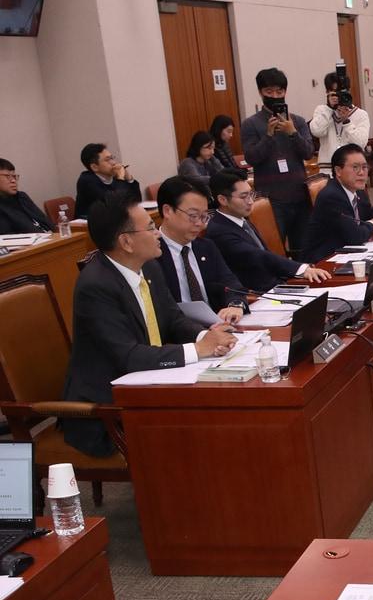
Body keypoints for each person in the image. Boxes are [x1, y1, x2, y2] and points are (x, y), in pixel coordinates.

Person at [62, 193, 237, 457]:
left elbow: (172, 318)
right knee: (204, 426)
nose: (158, 234)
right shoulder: (95, 287)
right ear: (126, 242)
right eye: (151, 227)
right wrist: (198, 350)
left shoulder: (149, 267)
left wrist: (208, 335)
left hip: (149, 383)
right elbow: (128, 355)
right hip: (108, 409)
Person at [205, 170, 331, 292]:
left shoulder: (241, 219)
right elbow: (257, 255)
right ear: (223, 200)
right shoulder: (219, 230)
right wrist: (300, 269)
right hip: (258, 294)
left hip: (278, 283)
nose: (250, 201)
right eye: (244, 197)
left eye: (251, 194)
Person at [241, 67, 315, 254]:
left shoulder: (297, 121)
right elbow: (252, 157)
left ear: (285, 92)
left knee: (303, 249)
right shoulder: (251, 124)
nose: (275, 95)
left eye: (279, 91)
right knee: (274, 249)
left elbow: (308, 152)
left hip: (299, 194)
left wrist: (293, 133)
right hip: (270, 199)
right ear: (260, 92)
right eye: (269, 91)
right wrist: (268, 135)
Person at [153, 176, 246, 324]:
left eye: (204, 217)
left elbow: (231, 284)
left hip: (217, 327)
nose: (200, 224)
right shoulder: (151, 255)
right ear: (168, 211)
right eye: (193, 216)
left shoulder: (206, 247)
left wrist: (235, 305)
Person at [300, 144, 373, 263]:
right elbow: (355, 236)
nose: (361, 173)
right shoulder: (332, 196)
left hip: (347, 254)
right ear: (338, 171)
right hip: (323, 263)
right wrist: (372, 224)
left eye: (364, 167)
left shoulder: (358, 191)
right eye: (355, 167)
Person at [310, 72, 371, 170]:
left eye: (341, 92)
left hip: (353, 169)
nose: (338, 96)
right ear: (327, 92)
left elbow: (360, 144)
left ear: (348, 91)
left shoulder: (361, 114)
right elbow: (317, 131)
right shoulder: (322, 110)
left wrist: (346, 121)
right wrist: (329, 108)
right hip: (328, 169)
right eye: (335, 92)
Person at [75, 143, 141, 218]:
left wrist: (128, 178)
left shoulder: (114, 177)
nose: (114, 163)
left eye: (112, 158)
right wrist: (120, 178)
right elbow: (114, 204)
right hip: (89, 226)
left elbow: (136, 200)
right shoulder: (86, 181)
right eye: (108, 160)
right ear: (94, 167)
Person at [0, 158, 52, 234]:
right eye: (8, 176)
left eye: (14, 176)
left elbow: (46, 222)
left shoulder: (22, 196)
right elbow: (7, 236)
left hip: (50, 238)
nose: (13, 180)